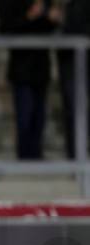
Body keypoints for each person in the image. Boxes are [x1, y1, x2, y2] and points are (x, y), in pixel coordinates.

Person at [0, 0, 60, 160]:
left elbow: (49, 27)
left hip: (41, 65)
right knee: (25, 113)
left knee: (39, 114)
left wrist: (52, 19)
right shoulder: (9, 4)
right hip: (21, 66)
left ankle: (36, 153)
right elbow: (5, 28)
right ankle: (25, 155)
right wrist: (29, 16)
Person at [55, 0, 90, 160]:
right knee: (72, 109)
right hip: (68, 61)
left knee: (77, 109)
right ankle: (75, 155)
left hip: (81, 59)